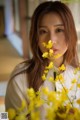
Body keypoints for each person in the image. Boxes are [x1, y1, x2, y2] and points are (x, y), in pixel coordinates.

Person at [5, 1, 80, 119]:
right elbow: (5, 117)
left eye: (59, 30)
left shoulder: (77, 76)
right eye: (43, 31)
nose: (51, 40)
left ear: (70, 32)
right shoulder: (20, 78)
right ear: (36, 37)